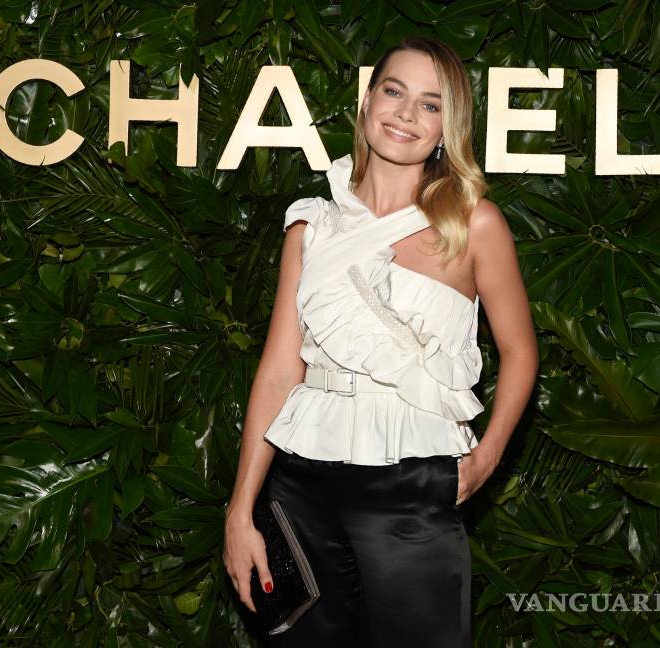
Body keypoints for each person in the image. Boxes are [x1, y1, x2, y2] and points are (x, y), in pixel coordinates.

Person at [223, 36, 539, 647]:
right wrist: (241, 509)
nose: (406, 114)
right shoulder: (311, 227)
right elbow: (279, 371)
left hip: (411, 482)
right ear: (367, 101)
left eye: (430, 104)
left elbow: (522, 352)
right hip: (300, 481)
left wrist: (488, 456)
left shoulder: (473, 222)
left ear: (446, 127)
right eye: (394, 92)